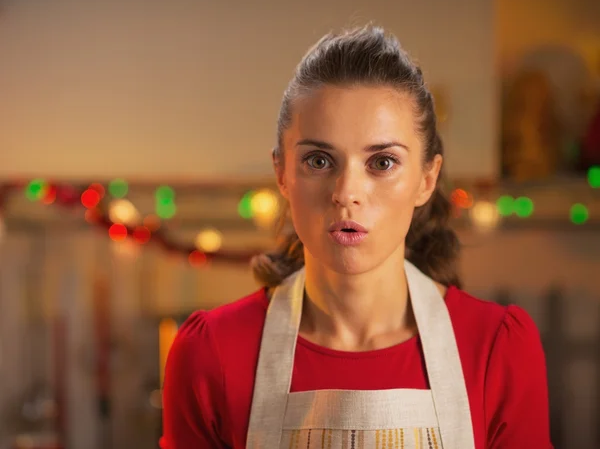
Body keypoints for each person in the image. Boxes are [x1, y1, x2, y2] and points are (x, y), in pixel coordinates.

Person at [162, 25, 553, 449]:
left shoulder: (498, 350)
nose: (346, 193)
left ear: (427, 179)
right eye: (318, 159)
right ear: (282, 174)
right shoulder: (210, 355)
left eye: (382, 162)